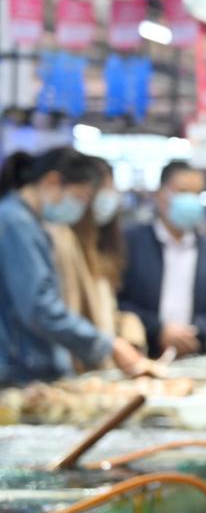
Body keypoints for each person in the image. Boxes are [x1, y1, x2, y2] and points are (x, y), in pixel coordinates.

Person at [0, 148, 155, 384]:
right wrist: (105, 345)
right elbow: (39, 307)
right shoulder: (15, 223)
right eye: (80, 198)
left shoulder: (29, 223)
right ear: (52, 181)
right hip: (19, 372)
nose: (81, 208)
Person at [119, 160, 206, 359]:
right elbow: (119, 300)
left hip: (194, 355)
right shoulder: (132, 243)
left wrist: (193, 332)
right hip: (138, 355)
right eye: (182, 192)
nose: (190, 200)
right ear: (159, 194)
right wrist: (158, 329)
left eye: (196, 194)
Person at [49, 156, 146, 371]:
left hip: (100, 368)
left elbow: (103, 314)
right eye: (102, 191)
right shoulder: (61, 241)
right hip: (74, 368)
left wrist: (127, 327)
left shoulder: (101, 247)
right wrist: (108, 344)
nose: (108, 199)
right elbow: (59, 314)